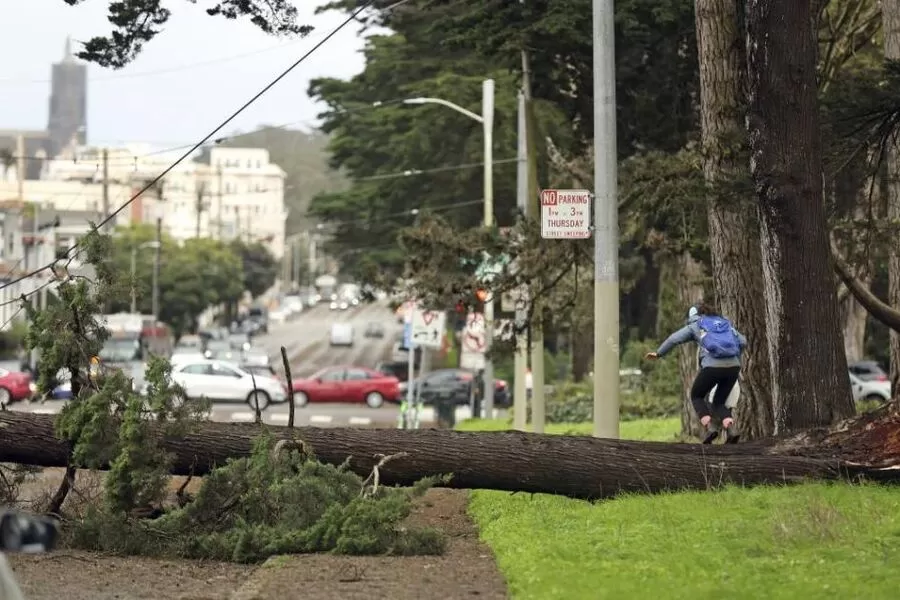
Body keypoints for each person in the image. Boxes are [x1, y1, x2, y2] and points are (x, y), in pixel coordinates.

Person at [645, 303, 746, 444]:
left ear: (692, 315)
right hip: (733, 367)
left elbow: (674, 339)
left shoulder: (695, 325)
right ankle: (731, 429)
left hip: (712, 367)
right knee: (719, 402)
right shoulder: (724, 324)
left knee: (696, 395)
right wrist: (734, 358)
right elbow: (743, 341)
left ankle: (710, 427)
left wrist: (659, 353)